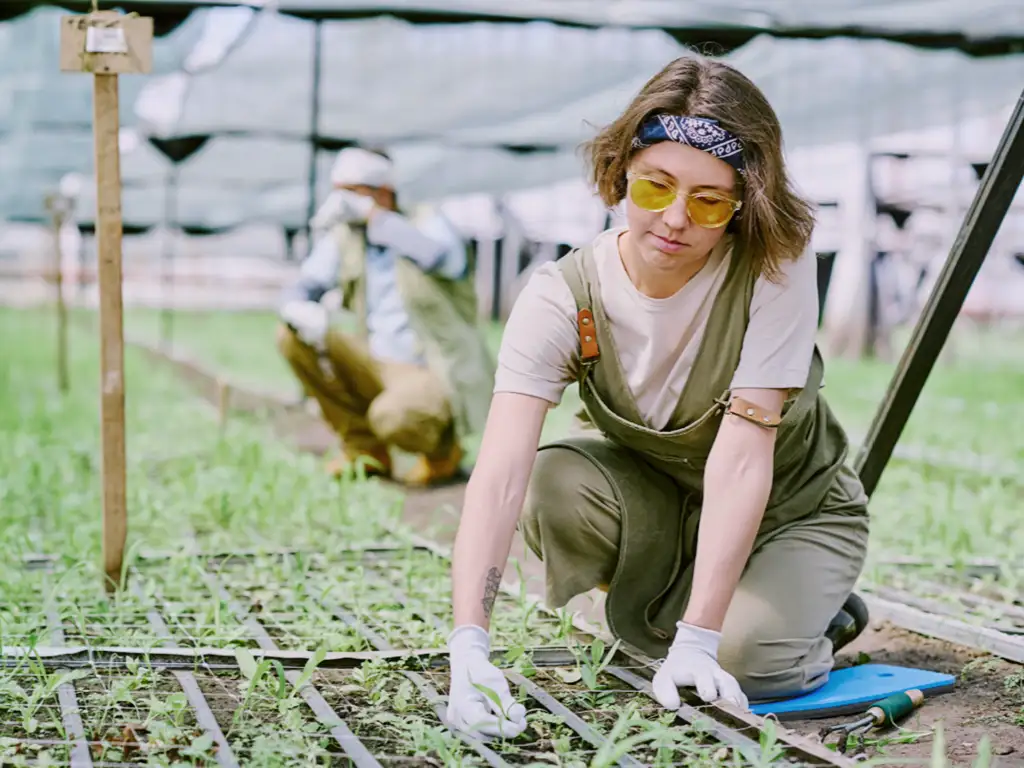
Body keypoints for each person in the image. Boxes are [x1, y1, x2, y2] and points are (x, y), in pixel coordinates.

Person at [444, 55, 871, 738]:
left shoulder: (775, 266)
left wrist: (702, 638)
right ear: (620, 175)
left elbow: (740, 456)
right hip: (668, 507)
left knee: (746, 664)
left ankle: (804, 613)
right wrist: (468, 648)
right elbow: (497, 475)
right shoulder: (562, 297)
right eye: (655, 188)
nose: (675, 219)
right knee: (549, 482)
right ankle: (696, 610)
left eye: (708, 201)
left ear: (741, 206)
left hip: (792, 509)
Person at [277, 147, 495, 485]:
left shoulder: (427, 223)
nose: (342, 201)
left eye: (352, 192)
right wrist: (299, 307)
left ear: (382, 192)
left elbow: (438, 256)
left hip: (430, 366)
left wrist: (377, 219)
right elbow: (307, 283)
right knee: (291, 336)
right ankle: (366, 451)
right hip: (375, 359)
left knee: (393, 417)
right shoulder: (346, 237)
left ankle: (442, 452)